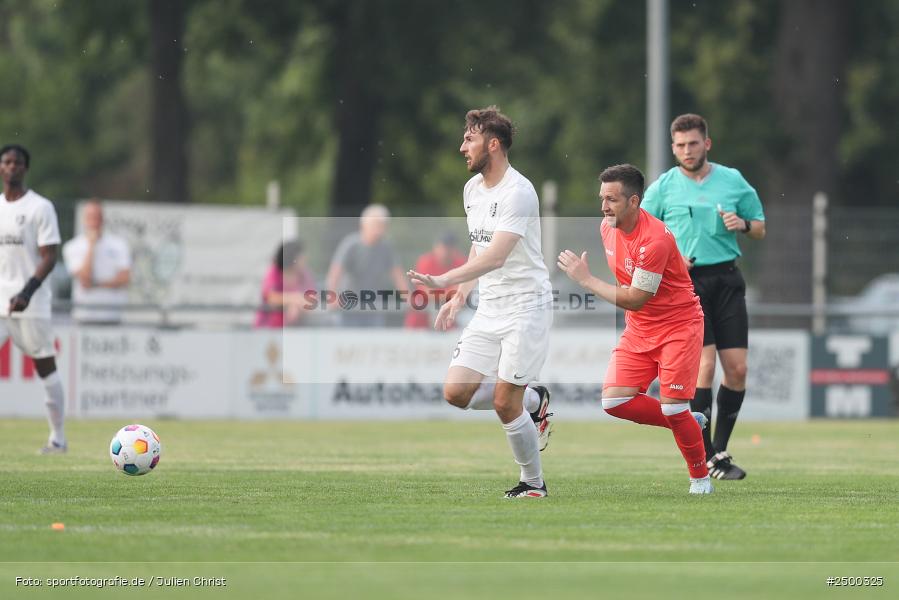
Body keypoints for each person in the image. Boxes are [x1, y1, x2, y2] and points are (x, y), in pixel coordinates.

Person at [408, 106, 553, 499]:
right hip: (490, 306)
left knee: (507, 402)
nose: (461, 147)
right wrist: (459, 295)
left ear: (493, 144)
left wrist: (443, 279)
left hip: (526, 306)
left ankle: (533, 484)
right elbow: (480, 246)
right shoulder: (472, 190)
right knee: (456, 393)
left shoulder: (519, 192)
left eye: (468, 138)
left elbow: (497, 257)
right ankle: (535, 400)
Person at [557, 163, 713, 494]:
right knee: (614, 402)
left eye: (611, 199)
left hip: (678, 327)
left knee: (672, 406)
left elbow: (636, 298)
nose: (603, 206)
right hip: (640, 329)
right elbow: (628, 284)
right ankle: (687, 422)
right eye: (601, 198)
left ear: (634, 201)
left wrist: (586, 279)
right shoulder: (606, 227)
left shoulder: (654, 239)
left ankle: (700, 479)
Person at [642, 114, 766, 480]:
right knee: (705, 367)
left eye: (693, 144)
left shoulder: (732, 181)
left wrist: (742, 225)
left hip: (727, 278)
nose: (686, 151)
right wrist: (670, 256)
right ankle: (708, 455)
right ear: (672, 148)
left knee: (738, 370)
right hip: (686, 284)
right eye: (679, 145)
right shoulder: (664, 187)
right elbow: (642, 233)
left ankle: (719, 449)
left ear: (706, 144)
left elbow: (759, 227)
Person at [0, 144, 68, 453]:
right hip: (1, 299)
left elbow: (49, 256)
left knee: (44, 366)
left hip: (31, 301)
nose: (11, 167)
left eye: (17, 163)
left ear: (25, 168)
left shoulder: (41, 208)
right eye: (6, 162)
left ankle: (58, 438)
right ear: (1, 168)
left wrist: (27, 291)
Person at [325, 204, 409, 327]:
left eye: (382, 226)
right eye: (376, 226)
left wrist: (408, 297)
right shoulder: (351, 245)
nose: (379, 230)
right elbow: (335, 272)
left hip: (373, 306)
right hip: (349, 306)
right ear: (364, 225)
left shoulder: (386, 247)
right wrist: (332, 296)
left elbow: (397, 274)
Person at [62, 200, 131, 325]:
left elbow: (124, 278)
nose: (94, 222)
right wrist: (92, 246)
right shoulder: (72, 247)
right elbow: (85, 278)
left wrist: (95, 284)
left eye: (97, 217)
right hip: (84, 316)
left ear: (103, 219)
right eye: (90, 217)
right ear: (84, 219)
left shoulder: (119, 244)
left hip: (112, 316)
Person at [404, 232, 467, 329]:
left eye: (449, 248)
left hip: (449, 320)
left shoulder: (461, 262)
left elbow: (461, 291)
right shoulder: (426, 261)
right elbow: (424, 292)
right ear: (435, 247)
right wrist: (449, 293)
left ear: (455, 250)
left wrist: (452, 293)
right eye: (443, 247)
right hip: (420, 319)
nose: (445, 252)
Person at [254, 240, 316, 328]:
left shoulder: (305, 274)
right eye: (301, 257)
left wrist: (296, 306)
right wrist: (294, 300)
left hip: (297, 328)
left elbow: (311, 301)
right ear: (292, 258)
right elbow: (271, 298)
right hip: (268, 327)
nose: (305, 259)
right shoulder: (274, 272)